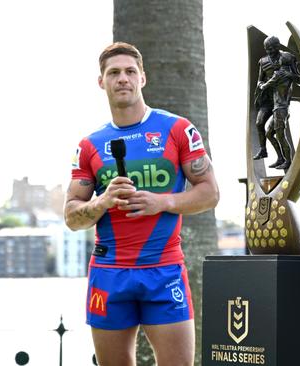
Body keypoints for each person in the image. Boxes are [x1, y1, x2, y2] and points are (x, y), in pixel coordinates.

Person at [64, 42, 219, 366]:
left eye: (130, 71)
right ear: (101, 81)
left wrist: (162, 201)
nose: (123, 78)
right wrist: (104, 200)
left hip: (163, 270)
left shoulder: (177, 129)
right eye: (114, 72)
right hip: (109, 273)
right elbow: (72, 216)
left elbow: (210, 193)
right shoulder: (89, 145)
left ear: (142, 78)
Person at [252, 35, 300, 170]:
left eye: (272, 49)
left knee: (279, 134)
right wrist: (262, 85)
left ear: (278, 46)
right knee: (259, 123)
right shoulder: (263, 61)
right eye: (267, 49)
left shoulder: (287, 58)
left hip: (281, 101)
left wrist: (288, 75)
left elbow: (299, 79)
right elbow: (259, 81)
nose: (269, 51)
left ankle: (287, 160)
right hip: (268, 100)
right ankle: (265, 151)